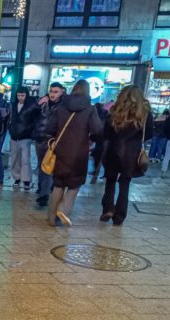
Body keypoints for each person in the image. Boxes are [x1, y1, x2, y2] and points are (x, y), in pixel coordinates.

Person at [45, 80, 103, 227]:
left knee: (58, 184)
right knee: (74, 185)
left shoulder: (61, 107)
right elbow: (97, 131)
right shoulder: (90, 109)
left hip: (60, 152)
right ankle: (63, 209)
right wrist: (91, 139)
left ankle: (51, 218)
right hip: (79, 153)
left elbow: (49, 128)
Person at [101, 85, 153, 226]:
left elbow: (106, 133)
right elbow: (148, 134)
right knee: (125, 184)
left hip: (113, 149)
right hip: (132, 153)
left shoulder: (115, 110)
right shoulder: (145, 113)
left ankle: (108, 208)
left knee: (110, 181)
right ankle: (119, 216)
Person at [8, 87, 38, 191]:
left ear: (26, 95)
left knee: (25, 160)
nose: (20, 98)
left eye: (22, 95)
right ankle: (17, 178)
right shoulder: (13, 105)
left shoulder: (31, 106)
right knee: (15, 159)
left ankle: (26, 180)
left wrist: (31, 132)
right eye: (18, 95)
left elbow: (35, 120)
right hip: (14, 136)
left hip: (25, 137)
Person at [89, 102, 111, 184]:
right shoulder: (107, 115)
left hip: (100, 139)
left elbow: (96, 129)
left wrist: (92, 138)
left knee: (98, 156)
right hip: (105, 140)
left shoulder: (97, 116)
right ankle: (104, 173)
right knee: (102, 158)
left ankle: (97, 172)